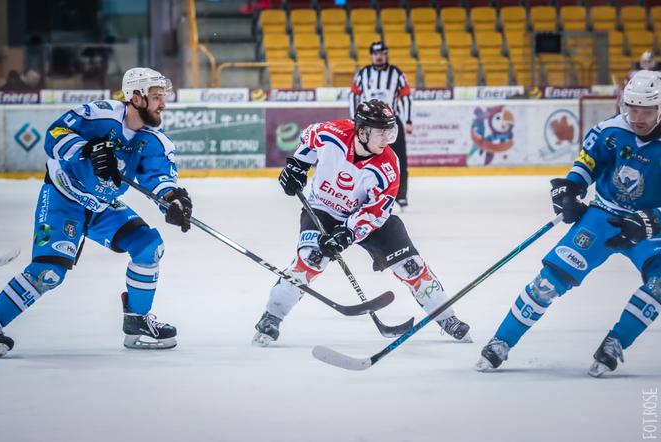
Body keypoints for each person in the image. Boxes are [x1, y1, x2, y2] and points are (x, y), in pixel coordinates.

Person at [475, 70, 661, 377]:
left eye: (646, 110)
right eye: (632, 108)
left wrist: (650, 221)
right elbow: (587, 162)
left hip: (648, 226)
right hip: (604, 214)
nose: (637, 117)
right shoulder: (611, 130)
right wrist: (570, 189)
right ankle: (501, 341)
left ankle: (616, 341)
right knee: (549, 281)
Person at [0, 67, 193, 357]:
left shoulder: (154, 140)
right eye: (156, 97)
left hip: (102, 206)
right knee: (49, 272)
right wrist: (86, 149)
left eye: (164, 96)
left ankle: (137, 320)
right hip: (64, 196)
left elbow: (158, 177)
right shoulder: (99, 114)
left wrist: (172, 199)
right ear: (136, 98)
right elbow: (54, 136)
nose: (163, 103)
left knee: (148, 246)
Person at [252, 99, 470, 347]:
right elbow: (309, 137)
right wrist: (297, 166)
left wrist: (348, 232)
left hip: (366, 218)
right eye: (381, 132)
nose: (387, 138)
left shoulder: (388, 165)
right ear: (363, 130)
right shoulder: (331, 133)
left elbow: (376, 210)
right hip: (324, 208)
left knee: (411, 266)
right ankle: (272, 316)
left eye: (391, 131)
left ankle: (446, 317)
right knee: (310, 260)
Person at [348, 41, 413, 209]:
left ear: (386, 54)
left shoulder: (396, 73)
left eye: (382, 53)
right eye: (376, 53)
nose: (379, 56)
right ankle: (359, 193)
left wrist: (408, 120)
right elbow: (353, 95)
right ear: (371, 55)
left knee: (399, 159)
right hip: (368, 122)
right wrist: (354, 119)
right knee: (363, 157)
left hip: (391, 121)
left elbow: (406, 96)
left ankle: (401, 195)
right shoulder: (363, 73)